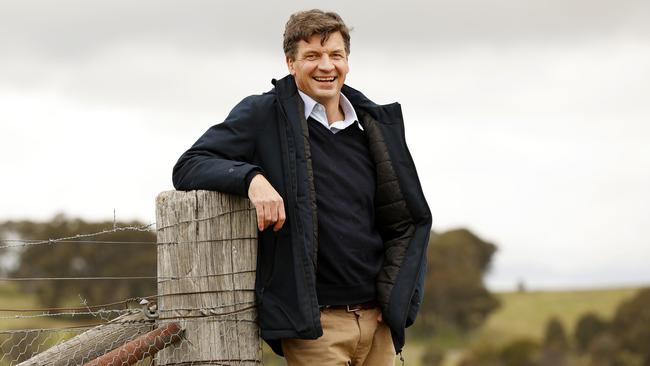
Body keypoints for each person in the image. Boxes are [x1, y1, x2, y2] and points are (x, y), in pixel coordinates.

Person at [173, 9, 431, 366]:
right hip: (316, 328)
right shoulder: (263, 114)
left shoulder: (374, 125)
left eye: (335, 55)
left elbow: (406, 221)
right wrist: (252, 179)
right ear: (291, 62)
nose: (326, 66)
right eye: (312, 56)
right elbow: (189, 165)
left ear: (347, 62)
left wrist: (397, 300)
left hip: (377, 322)